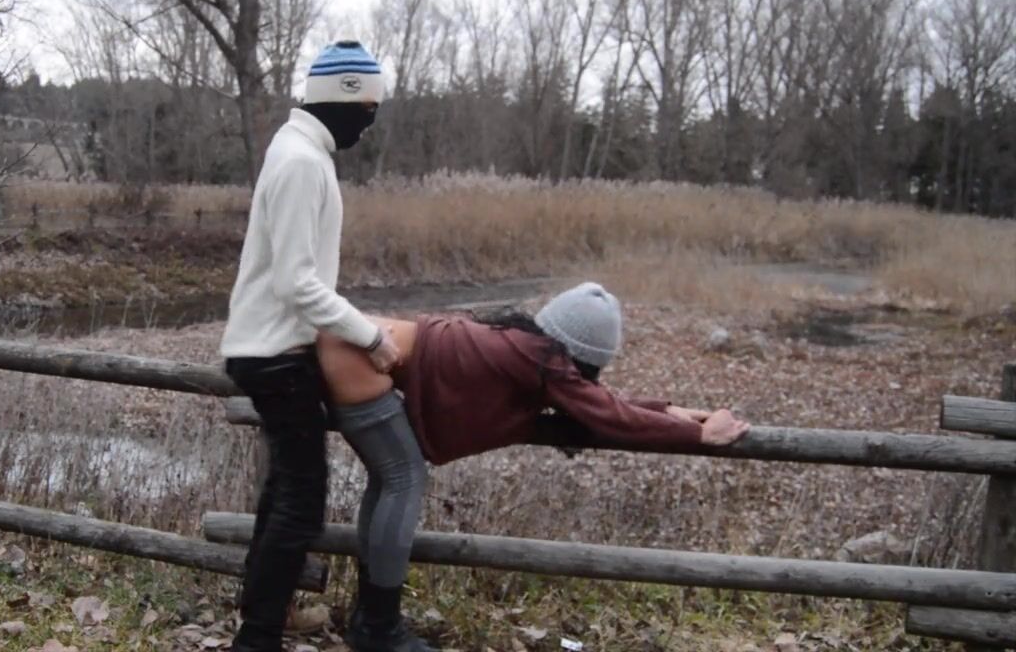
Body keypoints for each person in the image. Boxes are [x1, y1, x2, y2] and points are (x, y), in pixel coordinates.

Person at [314, 283, 750, 642]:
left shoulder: (525, 348)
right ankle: (378, 626)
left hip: (348, 346)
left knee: (391, 479)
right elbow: (608, 414)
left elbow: (599, 402)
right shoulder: (541, 361)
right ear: (588, 354)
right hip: (357, 355)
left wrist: (667, 411)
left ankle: (372, 620)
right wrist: (697, 434)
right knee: (402, 478)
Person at [219, 40, 404, 652]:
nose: (370, 124)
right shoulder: (302, 161)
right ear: (342, 99)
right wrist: (370, 335)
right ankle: (257, 638)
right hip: (276, 354)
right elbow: (297, 282)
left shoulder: (297, 149)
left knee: (283, 494)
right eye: (368, 110)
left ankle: (259, 619)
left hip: (267, 347)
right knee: (300, 503)